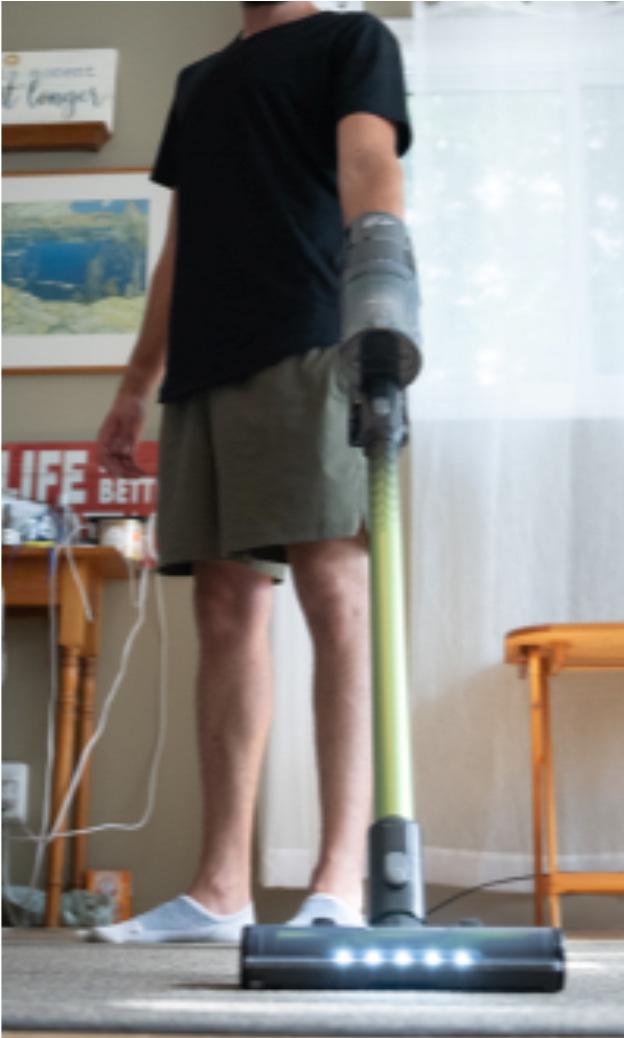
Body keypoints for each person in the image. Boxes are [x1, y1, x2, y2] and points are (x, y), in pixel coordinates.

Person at [92, 0, 413, 943]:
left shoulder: (351, 39)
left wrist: (382, 298)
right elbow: (182, 242)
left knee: (333, 594)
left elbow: (367, 163)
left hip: (314, 340)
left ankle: (338, 882)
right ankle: (220, 890)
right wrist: (135, 384)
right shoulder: (199, 83)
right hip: (204, 366)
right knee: (226, 609)